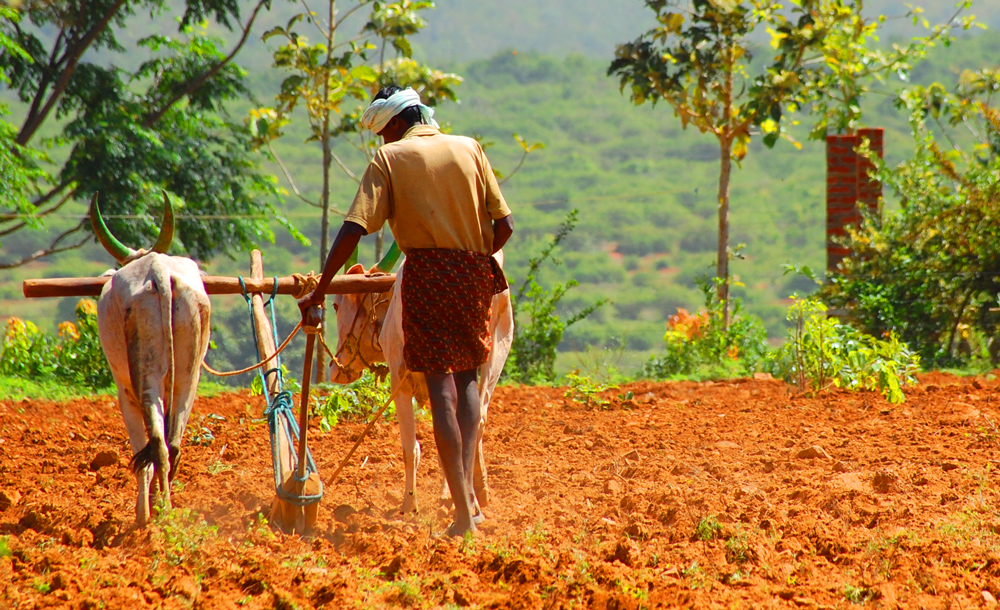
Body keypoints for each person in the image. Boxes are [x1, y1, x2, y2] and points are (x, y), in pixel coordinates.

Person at [298, 85, 514, 536]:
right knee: (468, 382)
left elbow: (354, 228)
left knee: (440, 391)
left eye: (382, 133)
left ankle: (461, 517)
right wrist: (472, 261)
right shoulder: (470, 148)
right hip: (476, 273)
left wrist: (322, 287)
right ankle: (469, 503)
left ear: (394, 123)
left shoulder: (390, 159)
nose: (382, 142)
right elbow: (506, 225)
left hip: (427, 277)